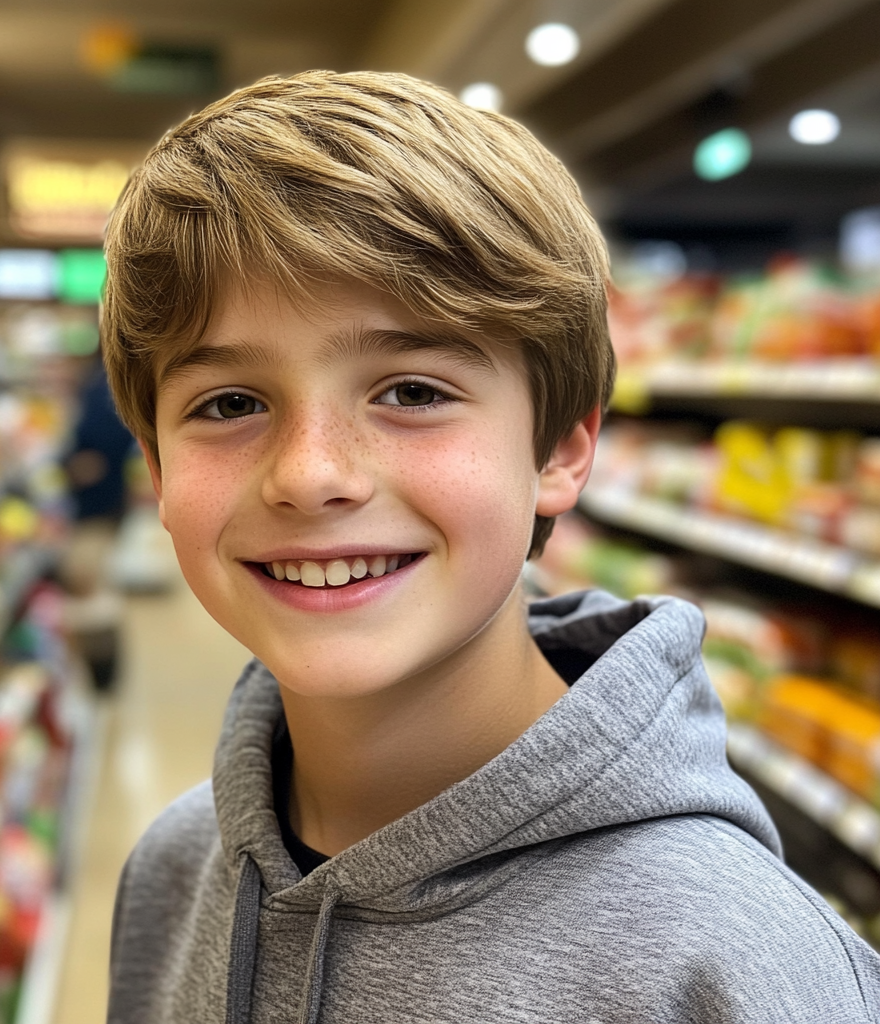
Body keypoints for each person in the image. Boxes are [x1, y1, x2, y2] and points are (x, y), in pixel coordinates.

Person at [100, 71, 880, 1023]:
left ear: (558, 449)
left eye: (413, 391)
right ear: (156, 469)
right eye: (229, 405)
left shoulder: (731, 963)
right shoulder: (174, 872)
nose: (310, 475)